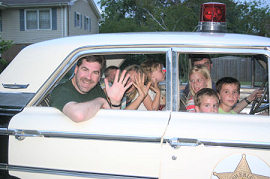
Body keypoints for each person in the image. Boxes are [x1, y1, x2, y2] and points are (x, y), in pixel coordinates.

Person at [49, 55, 132, 122]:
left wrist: (115, 102)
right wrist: (101, 101)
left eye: (95, 73)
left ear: (100, 76)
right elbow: (78, 115)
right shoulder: (61, 91)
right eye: (85, 70)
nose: (88, 77)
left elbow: (111, 121)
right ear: (76, 70)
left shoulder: (96, 89)